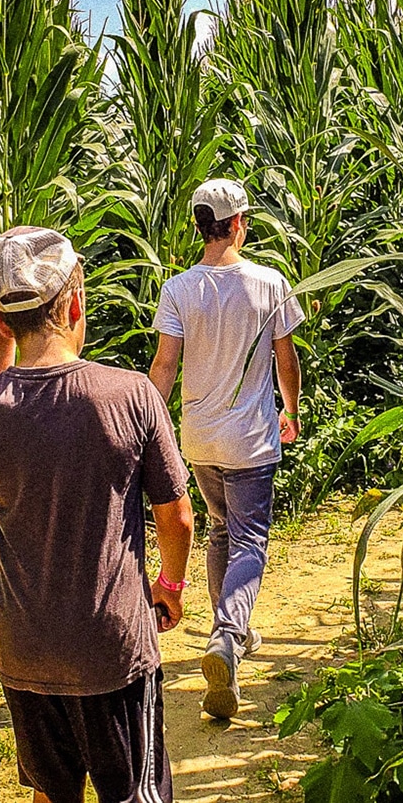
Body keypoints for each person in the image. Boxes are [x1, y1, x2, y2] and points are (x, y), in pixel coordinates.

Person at [0, 226, 194, 803]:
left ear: (5, 320)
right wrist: (170, 585)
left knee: (50, 792)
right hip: (109, 646)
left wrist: (5, 321)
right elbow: (178, 517)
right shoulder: (132, 394)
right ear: (74, 303)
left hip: (23, 646)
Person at [147, 178, 304, 720]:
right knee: (250, 540)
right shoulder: (269, 283)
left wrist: (150, 422)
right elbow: (286, 359)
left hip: (199, 439)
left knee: (220, 529)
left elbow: (164, 365)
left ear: (201, 226)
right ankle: (229, 637)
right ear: (238, 223)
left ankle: (227, 632)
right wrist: (291, 408)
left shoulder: (179, 289)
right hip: (251, 440)